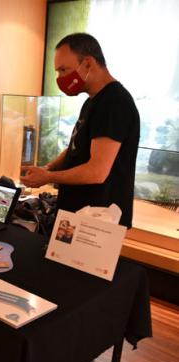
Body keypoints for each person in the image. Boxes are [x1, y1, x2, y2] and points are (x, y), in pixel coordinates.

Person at [21, 33, 140, 229]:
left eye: (64, 70)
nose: (60, 78)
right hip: (79, 214)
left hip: (98, 220)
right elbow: (76, 149)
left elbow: (96, 172)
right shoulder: (93, 102)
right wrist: (47, 169)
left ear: (88, 63)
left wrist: (48, 177)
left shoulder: (114, 102)